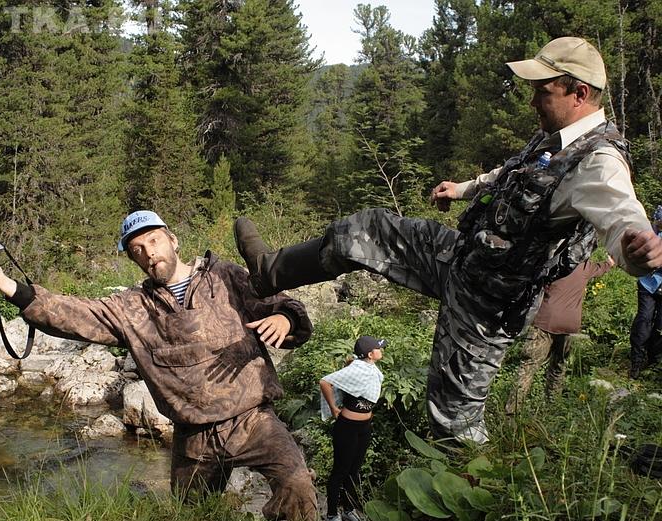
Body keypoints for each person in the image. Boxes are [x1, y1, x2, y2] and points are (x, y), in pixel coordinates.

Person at [233, 36, 662, 444]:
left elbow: (622, 217)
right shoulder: (556, 139)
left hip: (488, 307)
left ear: (579, 93)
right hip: (462, 258)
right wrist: (463, 189)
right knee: (369, 230)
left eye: (542, 92)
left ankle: (469, 487)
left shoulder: (599, 162)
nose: (533, 101)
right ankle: (271, 272)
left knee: (454, 422)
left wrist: (639, 251)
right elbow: (511, 174)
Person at [0, 210, 318, 521]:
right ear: (132, 258)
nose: (149, 252)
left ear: (173, 240)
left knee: (298, 483)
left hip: (253, 420)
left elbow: (282, 304)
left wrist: (285, 319)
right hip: (194, 436)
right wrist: (6, 283)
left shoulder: (225, 276)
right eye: (137, 249)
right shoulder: (132, 308)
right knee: (189, 518)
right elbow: (72, 313)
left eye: (153, 241)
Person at [505, 257, 613, 414]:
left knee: (528, 367)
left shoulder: (551, 264)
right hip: (569, 325)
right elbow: (603, 267)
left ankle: (512, 412)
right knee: (559, 367)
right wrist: (610, 262)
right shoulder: (585, 267)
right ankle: (552, 409)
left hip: (545, 321)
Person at [319, 336, 385, 521]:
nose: (382, 350)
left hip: (364, 427)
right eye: (379, 348)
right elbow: (325, 382)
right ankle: (332, 515)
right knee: (340, 470)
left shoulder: (371, 369)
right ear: (370, 354)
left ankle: (348, 510)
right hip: (347, 428)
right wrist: (333, 408)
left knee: (354, 470)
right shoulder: (355, 369)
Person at [629, 206, 662, 379]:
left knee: (660, 325)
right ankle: (637, 361)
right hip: (648, 283)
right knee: (644, 320)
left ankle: (654, 361)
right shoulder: (651, 231)